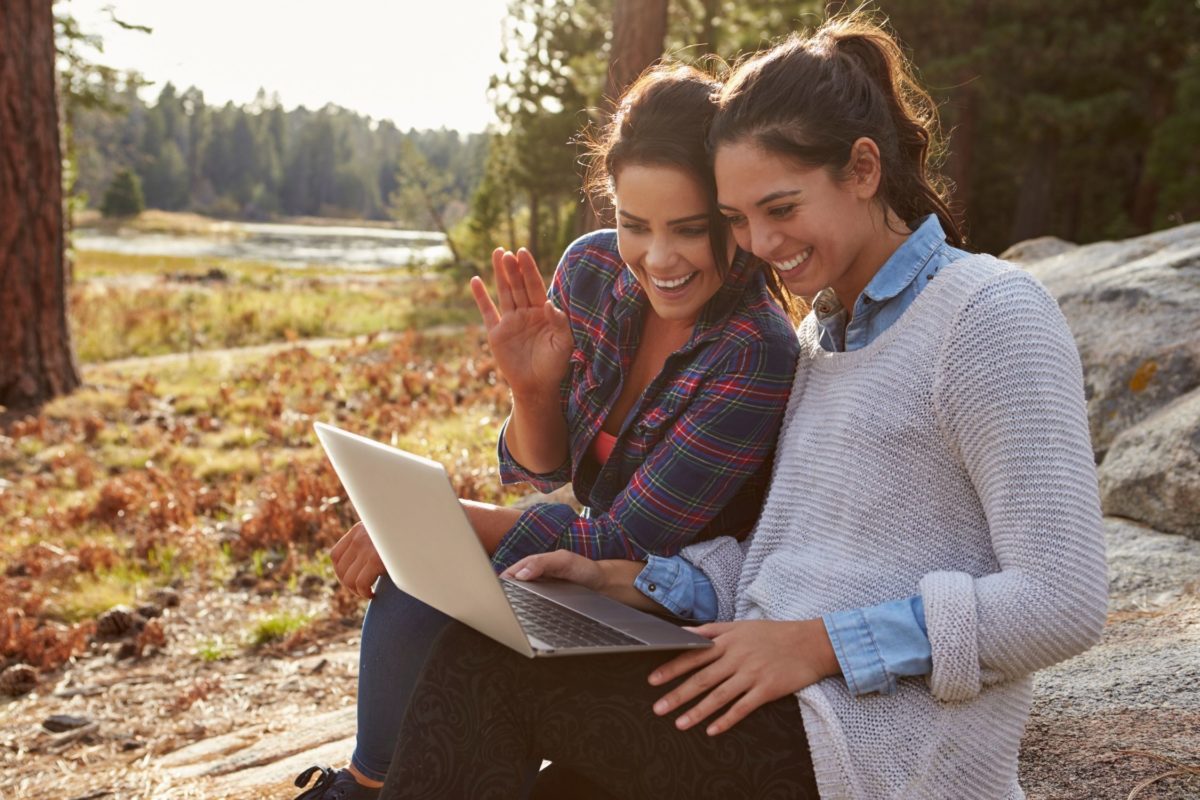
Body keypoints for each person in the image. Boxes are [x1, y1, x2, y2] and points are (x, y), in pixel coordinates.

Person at [377, 11, 1109, 800]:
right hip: (761, 687)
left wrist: (819, 644)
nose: (758, 244)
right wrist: (623, 579)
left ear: (863, 169)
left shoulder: (988, 314)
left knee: (490, 669)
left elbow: (1063, 601)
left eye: (781, 208)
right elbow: (781, 562)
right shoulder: (825, 335)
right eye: (736, 219)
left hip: (868, 748)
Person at [292, 65, 801, 800]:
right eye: (636, 224)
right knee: (422, 583)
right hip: (583, 570)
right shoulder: (593, 269)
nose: (659, 258)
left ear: (732, 216)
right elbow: (539, 474)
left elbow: (626, 543)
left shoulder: (755, 350)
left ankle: (363, 790)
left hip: (668, 606)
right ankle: (365, 785)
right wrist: (532, 392)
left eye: (690, 229)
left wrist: (451, 522)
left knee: (438, 579)